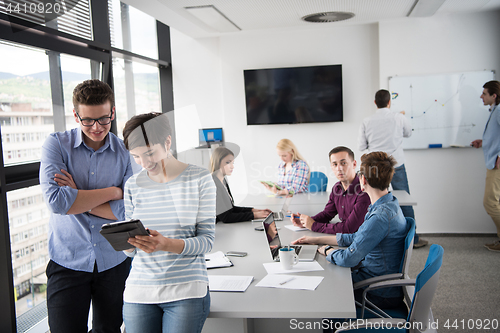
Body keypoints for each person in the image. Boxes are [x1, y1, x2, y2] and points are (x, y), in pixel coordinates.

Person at [39, 79, 133, 333]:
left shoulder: (125, 152)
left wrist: (78, 196)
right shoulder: (56, 145)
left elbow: (130, 209)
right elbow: (57, 202)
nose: (96, 127)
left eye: (104, 119)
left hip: (114, 258)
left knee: (109, 330)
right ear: (75, 115)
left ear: (112, 112)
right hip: (67, 259)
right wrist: (114, 192)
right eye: (87, 120)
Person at [121, 112, 215, 333]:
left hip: (186, 290)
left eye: (150, 153)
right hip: (140, 290)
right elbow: (132, 252)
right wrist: (127, 245)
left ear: (168, 142)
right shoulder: (132, 185)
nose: (144, 163)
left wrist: (166, 244)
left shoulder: (199, 179)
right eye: (136, 156)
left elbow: (207, 241)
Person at [292, 151, 409, 310]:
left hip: (376, 291)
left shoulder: (379, 217)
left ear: (363, 180)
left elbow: (348, 258)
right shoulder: (389, 204)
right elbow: (357, 237)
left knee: (321, 289)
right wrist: (317, 240)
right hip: (380, 282)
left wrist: (328, 251)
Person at [358, 89, 427, 248]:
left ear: (375, 103)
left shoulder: (367, 121)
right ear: (389, 102)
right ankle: (413, 240)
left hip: (374, 165)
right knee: (405, 201)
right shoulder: (398, 117)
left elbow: (361, 146)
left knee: (373, 199)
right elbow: (408, 133)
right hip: (396, 164)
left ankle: (372, 237)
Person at [290, 146, 370, 234]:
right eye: (335, 164)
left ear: (354, 164)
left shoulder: (364, 190)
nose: (339, 168)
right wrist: (306, 221)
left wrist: (313, 225)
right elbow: (327, 214)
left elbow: (349, 228)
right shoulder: (337, 188)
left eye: (343, 163)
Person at [471, 80, 500, 252]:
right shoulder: (495, 110)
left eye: (484, 93)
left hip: (495, 164)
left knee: (490, 203)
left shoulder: (498, 111)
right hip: (491, 161)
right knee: (494, 202)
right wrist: (483, 142)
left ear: (494, 95)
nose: (481, 96)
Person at [210, 146, 271, 222]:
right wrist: (254, 215)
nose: (232, 166)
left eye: (232, 163)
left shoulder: (222, 181)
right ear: (218, 162)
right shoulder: (213, 184)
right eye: (228, 162)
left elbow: (231, 209)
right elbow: (226, 217)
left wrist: (254, 211)